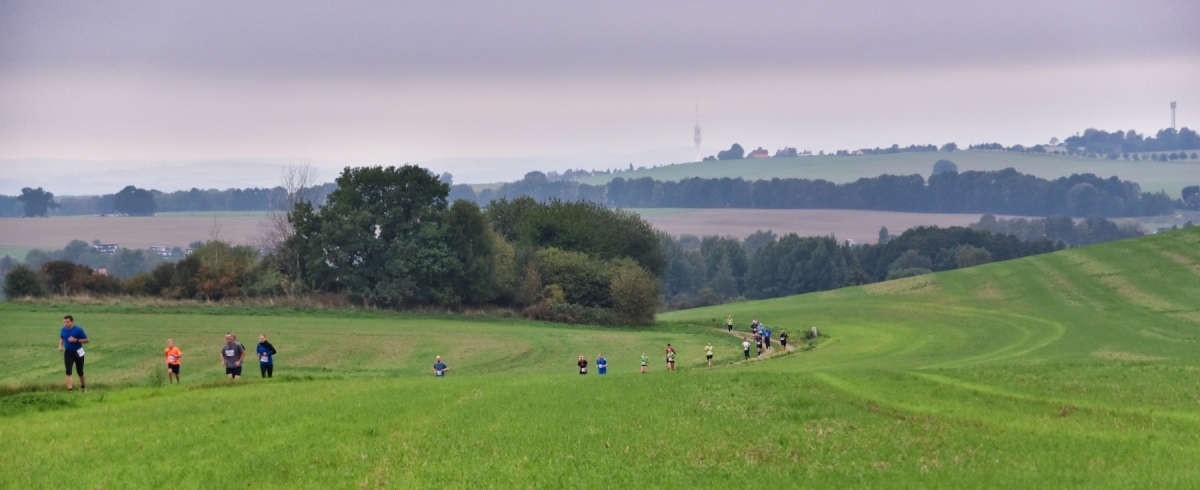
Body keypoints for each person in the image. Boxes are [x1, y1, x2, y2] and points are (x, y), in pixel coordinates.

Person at [58, 315, 89, 393]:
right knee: (68, 371)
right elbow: (62, 337)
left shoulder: (78, 330)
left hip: (78, 351)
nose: (66, 324)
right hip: (68, 352)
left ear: (72, 322)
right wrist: (60, 345)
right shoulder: (63, 330)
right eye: (64, 322)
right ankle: (70, 390)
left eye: (67, 322)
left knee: (80, 371)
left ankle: (83, 386)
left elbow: (87, 340)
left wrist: (76, 340)